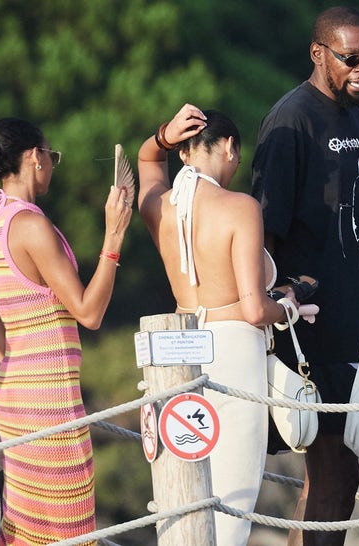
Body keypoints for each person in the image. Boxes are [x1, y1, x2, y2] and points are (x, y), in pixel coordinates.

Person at [251, 6, 359, 545]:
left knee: (342, 478)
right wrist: (268, 314)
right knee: (334, 476)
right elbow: (261, 232)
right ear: (319, 54)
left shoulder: (352, 113)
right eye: (350, 58)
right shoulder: (291, 120)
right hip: (319, 329)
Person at [137, 104, 305, 546]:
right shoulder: (240, 207)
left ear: (183, 149)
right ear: (230, 146)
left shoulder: (160, 207)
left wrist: (161, 137)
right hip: (232, 352)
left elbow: (147, 163)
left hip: (178, 351)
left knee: (179, 496)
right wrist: (289, 306)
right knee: (232, 504)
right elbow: (254, 309)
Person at [0, 117, 132, 544]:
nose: (53, 165)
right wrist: (113, 234)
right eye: (51, 156)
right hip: (50, 403)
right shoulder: (31, 226)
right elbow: (89, 312)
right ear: (32, 157)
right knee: (69, 531)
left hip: (12, 400)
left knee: (24, 532)